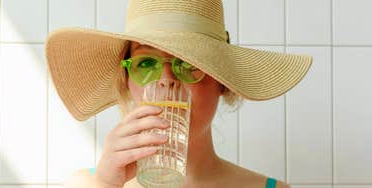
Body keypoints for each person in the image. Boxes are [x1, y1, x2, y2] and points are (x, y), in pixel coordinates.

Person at [44, 0, 312, 187]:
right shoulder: (86, 185)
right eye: (146, 63)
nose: (166, 81)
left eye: (188, 64)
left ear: (222, 81)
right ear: (126, 80)